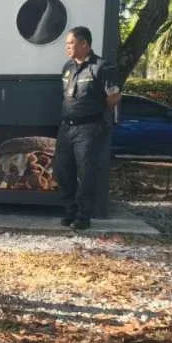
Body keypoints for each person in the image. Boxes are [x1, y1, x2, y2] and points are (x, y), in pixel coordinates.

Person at [54, 26, 121, 230]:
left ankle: (83, 217)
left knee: (86, 174)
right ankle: (70, 211)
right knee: (62, 170)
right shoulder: (68, 67)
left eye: (71, 43)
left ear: (84, 44)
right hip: (67, 128)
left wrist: (99, 114)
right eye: (66, 44)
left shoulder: (102, 67)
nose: (67, 47)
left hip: (89, 128)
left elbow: (114, 97)